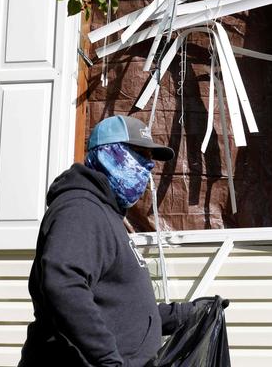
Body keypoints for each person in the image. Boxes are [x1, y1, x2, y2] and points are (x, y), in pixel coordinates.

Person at [18, 115, 194, 367]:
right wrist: (107, 361)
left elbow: (120, 307)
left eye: (150, 158)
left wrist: (184, 314)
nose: (148, 167)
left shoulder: (107, 214)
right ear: (106, 153)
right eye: (138, 154)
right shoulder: (79, 209)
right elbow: (63, 285)